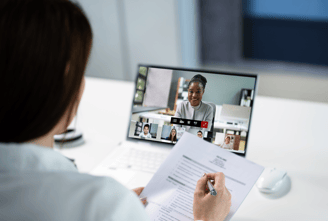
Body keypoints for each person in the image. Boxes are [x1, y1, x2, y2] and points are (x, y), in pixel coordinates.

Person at [0, 0, 231, 220]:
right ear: (63, 83)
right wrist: (206, 218)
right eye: (82, 71)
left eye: (197, 92)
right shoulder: (100, 205)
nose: (192, 96)